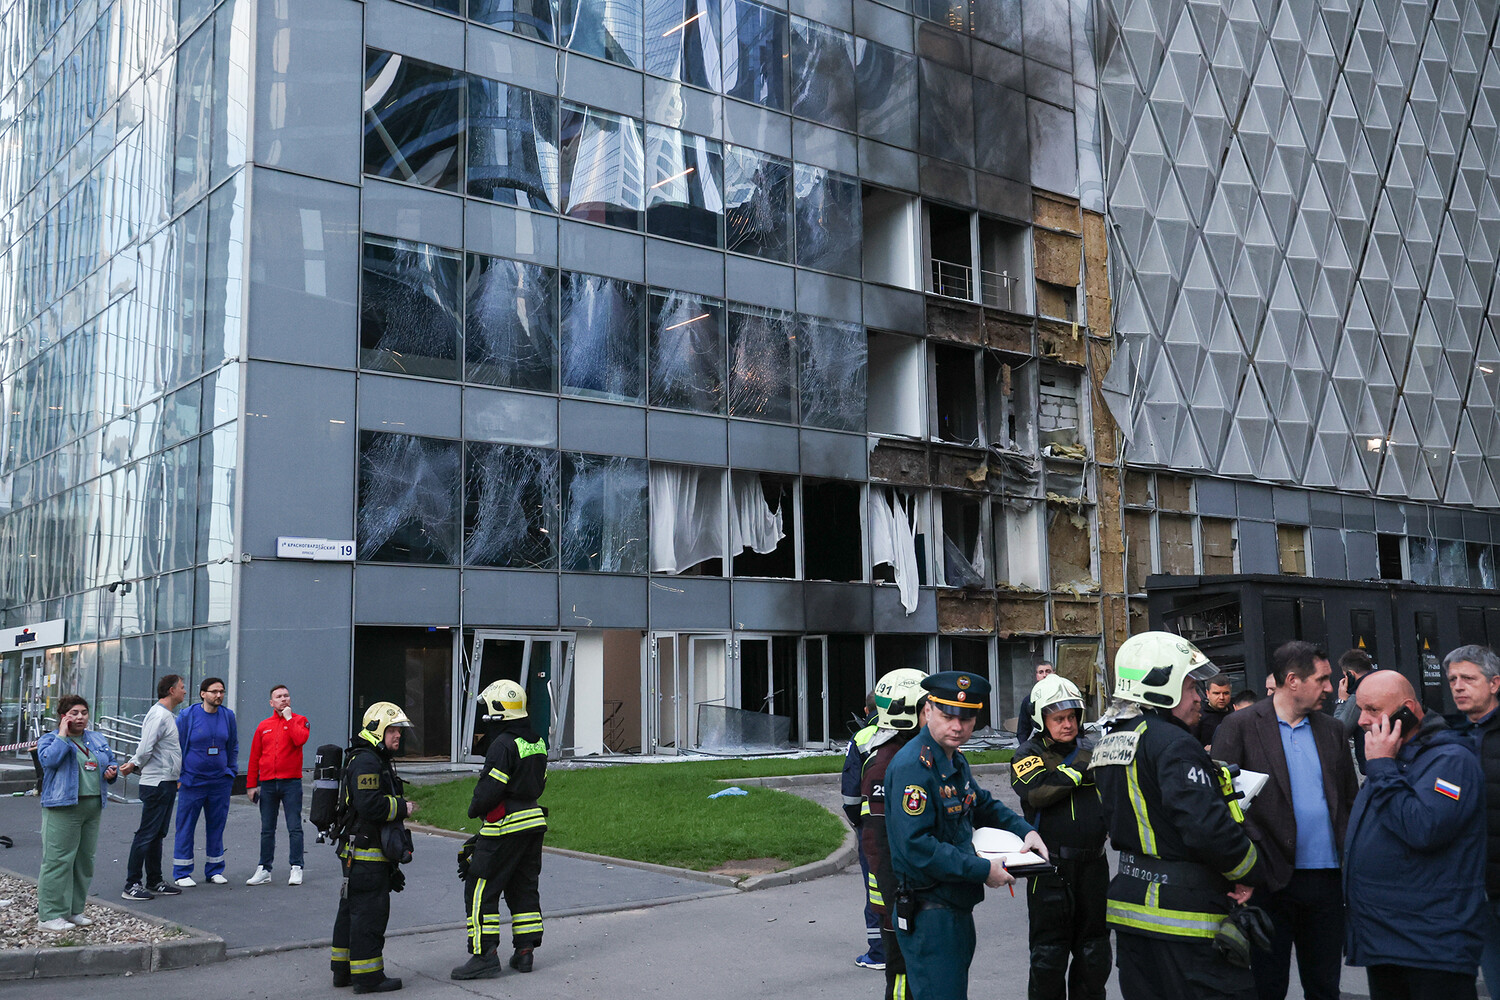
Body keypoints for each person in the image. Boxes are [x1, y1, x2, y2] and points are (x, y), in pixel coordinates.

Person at [1093, 631, 1266, 1000]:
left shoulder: (1112, 741)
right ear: (1162, 686)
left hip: (1132, 912)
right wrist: (1249, 870)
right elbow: (1206, 828)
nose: (1200, 697)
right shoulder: (1174, 743)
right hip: (1186, 918)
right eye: (1190, 686)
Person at [886, 671, 1048, 1000]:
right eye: (948, 716)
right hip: (930, 912)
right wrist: (983, 871)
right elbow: (918, 846)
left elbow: (981, 803)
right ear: (928, 711)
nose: (958, 727)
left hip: (953, 908)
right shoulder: (913, 767)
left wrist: (1025, 831)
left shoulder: (952, 759)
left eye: (967, 718)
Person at [1211, 642, 1358, 1000]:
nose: (1329, 687)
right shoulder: (1240, 727)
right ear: (1292, 680)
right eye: (1322, 679)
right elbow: (1220, 806)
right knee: (1268, 985)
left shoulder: (1333, 731)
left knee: (1325, 986)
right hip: (1269, 880)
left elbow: (1349, 802)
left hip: (1326, 881)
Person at [1344, 670, 1485, 1000]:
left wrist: (1381, 767)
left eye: (1372, 709)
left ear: (1406, 709)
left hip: (1431, 946)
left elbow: (1424, 829)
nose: (1362, 720)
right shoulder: (1394, 760)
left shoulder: (1451, 761)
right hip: (1387, 939)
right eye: (1359, 709)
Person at [1011, 675, 1109, 1000]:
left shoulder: (1093, 747)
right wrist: (1081, 768)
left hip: (1094, 864)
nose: (1067, 724)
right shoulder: (1027, 753)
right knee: (1048, 957)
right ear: (1042, 719)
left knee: (1094, 953)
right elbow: (1038, 792)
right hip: (1051, 868)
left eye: (1072, 717)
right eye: (1059, 718)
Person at [451, 680, 549, 980]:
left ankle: (484, 954)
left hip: (504, 824)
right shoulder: (537, 740)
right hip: (533, 822)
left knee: (480, 887)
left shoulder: (502, 744)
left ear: (499, 710)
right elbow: (541, 782)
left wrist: (474, 808)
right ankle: (525, 952)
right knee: (522, 887)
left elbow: (491, 788)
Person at [331, 702, 418, 994]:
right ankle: (368, 977)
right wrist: (402, 807)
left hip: (357, 852)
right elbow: (369, 805)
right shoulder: (367, 761)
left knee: (351, 911)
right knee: (370, 913)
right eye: (393, 730)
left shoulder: (369, 758)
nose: (398, 736)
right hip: (367, 854)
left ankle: (342, 970)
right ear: (377, 729)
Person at [859, 668, 927, 1000]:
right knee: (902, 976)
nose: (936, 714)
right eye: (928, 707)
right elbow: (880, 842)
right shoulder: (886, 764)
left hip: (916, 889)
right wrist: (898, 899)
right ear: (907, 712)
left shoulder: (917, 754)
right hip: (899, 893)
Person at [1443, 645, 1500, 996]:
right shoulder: (1453, 739)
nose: (1458, 686)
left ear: (1495, 683)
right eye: (1452, 679)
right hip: (1477, 890)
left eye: (1468, 678)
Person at [36, 695, 118, 931]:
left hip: (92, 806)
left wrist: (111, 772)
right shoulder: (50, 740)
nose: (80, 717)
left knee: (84, 861)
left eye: (83, 712)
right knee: (58, 861)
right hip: (63, 807)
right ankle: (50, 915)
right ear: (63, 716)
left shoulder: (96, 738)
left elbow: (109, 761)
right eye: (73, 713)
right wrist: (63, 735)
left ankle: (73, 910)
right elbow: (49, 762)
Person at [119, 674, 186, 901]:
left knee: (157, 834)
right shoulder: (158, 715)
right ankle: (132, 884)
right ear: (170, 690)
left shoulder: (167, 715)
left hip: (165, 781)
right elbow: (146, 746)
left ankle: (154, 880)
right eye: (182, 687)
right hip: (156, 783)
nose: (184, 691)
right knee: (147, 834)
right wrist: (135, 763)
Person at [173, 677, 237, 886]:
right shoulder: (188, 715)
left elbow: (233, 745)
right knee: (186, 826)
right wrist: (179, 776)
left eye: (221, 691)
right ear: (203, 694)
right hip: (192, 781)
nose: (219, 695)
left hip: (219, 782)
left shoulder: (228, 716)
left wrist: (230, 771)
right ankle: (182, 872)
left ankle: (215, 870)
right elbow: (177, 746)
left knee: (217, 826)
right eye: (214, 691)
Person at [246, 684, 310, 887]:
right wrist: (251, 785)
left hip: (291, 782)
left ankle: (296, 867)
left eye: (286, 695)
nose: (284, 699)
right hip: (267, 783)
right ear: (271, 702)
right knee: (267, 828)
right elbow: (255, 756)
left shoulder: (300, 721)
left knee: (294, 826)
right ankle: (264, 868)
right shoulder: (263, 725)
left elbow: (300, 739)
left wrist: (290, 719)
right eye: (279, 696)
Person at [840, 691, 882, 971]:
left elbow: (851, 793)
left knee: (877, 889)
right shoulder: (921, 732)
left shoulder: (863, 737)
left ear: (865, 711)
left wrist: (857, 821)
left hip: (873, 828)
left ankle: (879, 953)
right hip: (914, 822)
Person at [1335, 649, 1375, 774]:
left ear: (1350, 674)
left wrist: (1342, 700)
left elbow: (1339, 731)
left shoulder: (1360, 693)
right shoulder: (1381, 683)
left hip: (1373, 766)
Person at [1015, 661, 1055, 745]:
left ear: (1054, 674)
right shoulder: (1029, 700)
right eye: (1041, 672)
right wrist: (1024, 749)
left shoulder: (1063, 696)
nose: (1045, 675)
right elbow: (1023, 729)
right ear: (1037, 676)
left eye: (1048, 671)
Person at [1196, 676, 1233, 747]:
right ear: (1208, 693)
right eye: (1216, 693)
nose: (1221, 697)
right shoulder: (1198, 716)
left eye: (1226, 693)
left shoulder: (1234, 714)